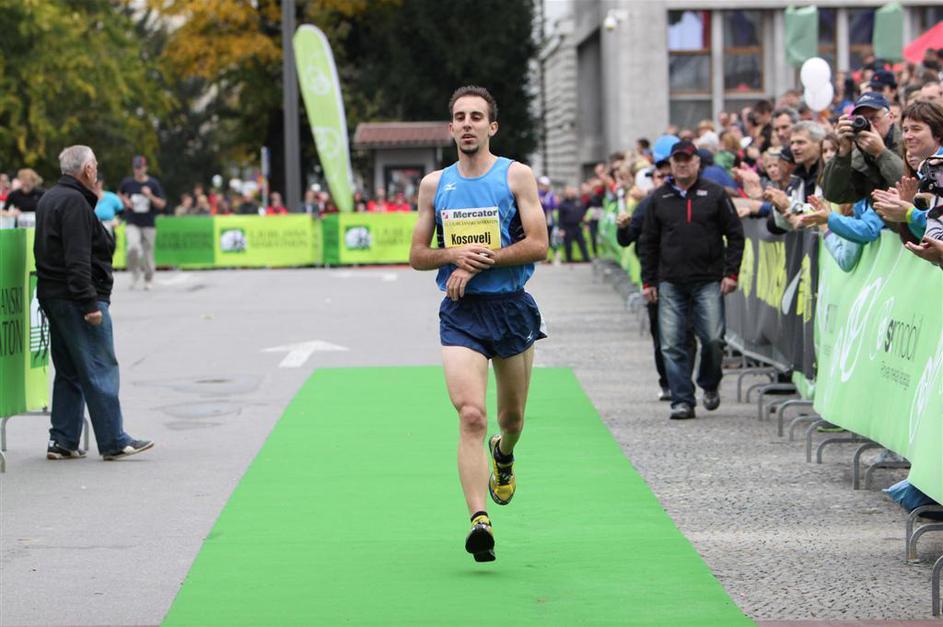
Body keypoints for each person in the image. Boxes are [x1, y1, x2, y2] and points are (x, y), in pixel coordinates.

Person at [408, 85, 548, 563]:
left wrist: (481, 260)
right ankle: (479, 520)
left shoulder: (516, 176)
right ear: (451, 128)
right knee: (470, 413)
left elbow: (538, 244)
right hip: (462, 311)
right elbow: (417, 255)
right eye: (460, 117)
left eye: (476, 117)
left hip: (510, 308)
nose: (468, 124)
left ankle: (503, 454)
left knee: (511, 420)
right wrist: (453, 255)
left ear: (492, 126)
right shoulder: (434, 185)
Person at [34, 145, 153, 461]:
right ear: (87, 169)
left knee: (69, 370)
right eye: (95, 165)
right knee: (100, 367)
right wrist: (89, 304)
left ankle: (62, 440)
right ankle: (113, 439)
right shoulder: (74, 202)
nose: (97, 170)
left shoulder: (49, 198)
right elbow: (77, 258)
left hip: (53, 295)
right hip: (78, 298)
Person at [638, 140, 745, 420]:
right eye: (678, 160)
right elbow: (648, 242)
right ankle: (682, 400)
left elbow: (735, 235)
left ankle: (709, 383)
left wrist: (731, 273)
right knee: (671, 343)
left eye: (688, 159)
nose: (683, 164)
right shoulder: (659, 198)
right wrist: (648, 281)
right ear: (671, 164)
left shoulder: (716, 194)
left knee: (712, 339)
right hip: (670, 281)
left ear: (698, 163)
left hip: (708, 278)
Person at [821, 92, 904, 204]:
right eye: (862, 120)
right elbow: (834, 195)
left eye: (874, 118)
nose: (869, 125)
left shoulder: (908, 144)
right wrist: (843, 152)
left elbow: (911, 189)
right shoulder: (860, 155)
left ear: (890, 118)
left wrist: (881, 153)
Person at [118, 155, 166, 290]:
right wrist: (125, 201)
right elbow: (119, 194)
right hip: (132, 221)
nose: (138, 170)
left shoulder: (153, 183)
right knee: (132, 247)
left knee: (148, 253)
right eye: (136, 167)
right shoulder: (127, 182)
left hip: (148, 223)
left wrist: (150, 195)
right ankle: (135, 272)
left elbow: (162, 204)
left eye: (140, 167)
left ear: (145, 168)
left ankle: (148, 279)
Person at [557, 186, 588, 262]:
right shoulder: (563, 204)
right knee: (568, 245)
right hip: (567, 227)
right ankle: (569, 259)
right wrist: (561, 229)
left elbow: (583, 213)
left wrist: (585, 223)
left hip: (577, 226)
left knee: (582, 243)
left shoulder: (578, 202)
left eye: (571, 191)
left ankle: (586, 258)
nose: (570, 193)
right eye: (568, 192)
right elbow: (560, 218)